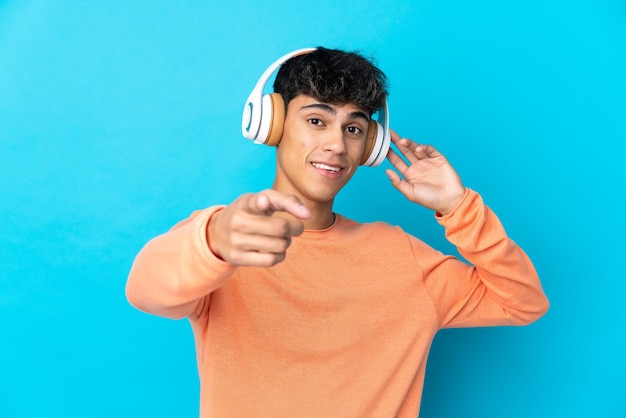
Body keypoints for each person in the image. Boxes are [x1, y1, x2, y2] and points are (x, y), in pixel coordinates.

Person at [126, 46, 549, 417]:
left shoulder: (402, 257)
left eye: (353, 128)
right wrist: (214, 241)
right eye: (316, 120)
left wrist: (460, 209)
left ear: (369, 147)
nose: (336, 145)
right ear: (271, 124)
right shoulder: (229, 235)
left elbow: (522, 303)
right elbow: (144, 291)